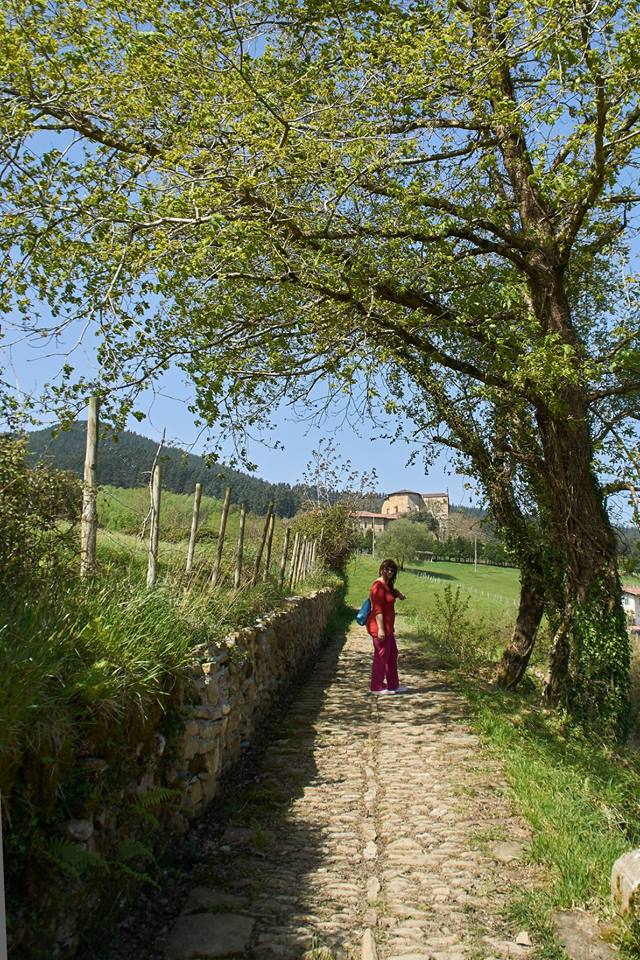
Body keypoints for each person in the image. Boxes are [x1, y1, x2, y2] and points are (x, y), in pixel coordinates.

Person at [366, 558, 409, 695]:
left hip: (388, 629)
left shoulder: (387, 585)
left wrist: (398, 594)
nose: (389, 572)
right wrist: (381, 629)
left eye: (392, 570)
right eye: (387, 569)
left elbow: (390, 595)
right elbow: (377, 609)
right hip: (380, 629)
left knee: (392, 655)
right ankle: (376, 687)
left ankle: (393, 685)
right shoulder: (377, 586)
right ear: (382, 569)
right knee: (381, 657)